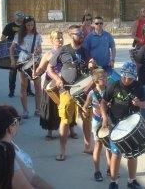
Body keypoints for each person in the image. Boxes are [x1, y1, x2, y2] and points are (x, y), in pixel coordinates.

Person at [47, 25, 93, 161]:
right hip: (66, 89)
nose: (80, 36)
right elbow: (50, 68)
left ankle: (87, 146)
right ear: (70, 35)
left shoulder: (86, 51)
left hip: (84, 89)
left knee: (86, 118)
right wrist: (57, 79)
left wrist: (92, 65)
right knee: (65, 120)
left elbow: (91, 66)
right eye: (77, 34)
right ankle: (62, 150)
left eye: (81, 33)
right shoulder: (63, 50)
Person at [101, 62, 145, 189]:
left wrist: (139, 103)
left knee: (133, 154)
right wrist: (105, 117)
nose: (127, 80)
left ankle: (131, 181)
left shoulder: (138, 86)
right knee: (116, 154)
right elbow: (104, 101)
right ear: (121, 74)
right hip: (116, 124)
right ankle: (113, 182)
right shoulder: (114, 85)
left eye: (130, 78)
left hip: (132, 126)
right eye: (125, 77)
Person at [9, 15, 42, 119]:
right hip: (23, 61)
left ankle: (38, 109)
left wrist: (38, 50)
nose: (30, 26)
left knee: (37, 86)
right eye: (28, 25)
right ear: (24, 25)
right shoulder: (19, 35)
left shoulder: (37, 36)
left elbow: (40, 48)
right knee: (23, 86)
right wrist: (13, 60)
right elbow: (12, 49)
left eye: (32, 24)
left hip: (35, 62)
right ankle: (25, 111)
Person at [84, 69, 112, 182]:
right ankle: (97, 171)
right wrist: (84, 111)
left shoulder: (109, 91)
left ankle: (110, 168)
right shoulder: (92, 93)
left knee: (109, 147)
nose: (106, 80)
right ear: (96, 81)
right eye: (103, 79)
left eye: (106, 78)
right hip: (97, 122)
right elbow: (85, 106)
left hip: (108, 121)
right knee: (98, 146)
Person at [34, 31, 64, 140]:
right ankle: (50, 132)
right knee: (50, 107)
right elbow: (41, 68)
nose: (60, 40)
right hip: (50, 84)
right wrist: (35, 73)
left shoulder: (66, 52)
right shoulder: (48, 54)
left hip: (64, 83)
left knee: (66, 107)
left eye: (61, 38)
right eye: (57, 38)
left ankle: (70, 130)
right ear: (52, 40)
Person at [1, 10, 34, 98]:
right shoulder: (9, 26)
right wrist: (8, 44)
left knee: (26, 71)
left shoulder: (26, 26)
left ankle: (29, 91)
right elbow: (3, 37)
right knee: (13, 72)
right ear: (14, 16)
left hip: (24, 52)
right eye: (18, 16)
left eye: (21, 16)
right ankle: (11, 91)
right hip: (14, 52)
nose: (20, 17)